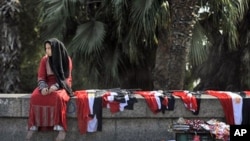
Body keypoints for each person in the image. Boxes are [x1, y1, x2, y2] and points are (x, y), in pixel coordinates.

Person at [26, 38, 74, 141]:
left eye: (49, 48)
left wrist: (56, 86)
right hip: (47, 84)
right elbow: (41, 77)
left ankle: (61, 129)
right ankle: (34, 125)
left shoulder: (66, 59)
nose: (47, 50)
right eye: (46, 48)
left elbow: (67, 79)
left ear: (55, 48)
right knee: (35, 96)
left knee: (57, 97)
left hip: (62, 85)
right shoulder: (45, 59)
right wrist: (43, 87)